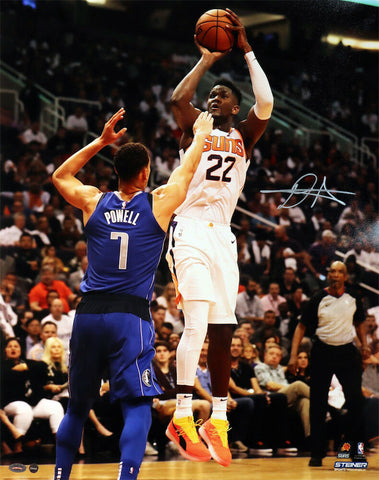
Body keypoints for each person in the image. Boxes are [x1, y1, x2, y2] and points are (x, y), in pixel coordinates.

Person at [51, 107, 214, 480]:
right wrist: (202, 132)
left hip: (89, 313)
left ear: (116, 171)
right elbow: (187, 171)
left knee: (77, 407)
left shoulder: (93, 201)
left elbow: (60, 175)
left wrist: (102, 140)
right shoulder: (157, 203)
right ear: (144, 173)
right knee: (138, 405)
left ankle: (59, 476)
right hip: (130, 317)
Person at [165, 8, 273, 467]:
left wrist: (246, 49)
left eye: (222, 96)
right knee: (194, 324)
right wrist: (207, 61)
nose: (213, 98)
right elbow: (177, 97)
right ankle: (184, 413)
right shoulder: (200, 127)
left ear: (235, 107)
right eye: (211, 95)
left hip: (223, 238)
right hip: (189, 227)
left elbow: (265, 103)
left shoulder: (246, 134)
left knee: (225, 330)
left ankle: (219, 418)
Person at [288, 261, 369, 467]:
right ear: (329, 275)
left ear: (345, 276)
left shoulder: (353, 297)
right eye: (332, 271)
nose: (335, 275)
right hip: (322, 351)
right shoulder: (318, 297)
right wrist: (293, 355)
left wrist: (365, 346)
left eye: (340, 271)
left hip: (347, 352)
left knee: (357, 401)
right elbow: (301, 327)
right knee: (317, 403)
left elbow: (359, 323)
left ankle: (351, 447)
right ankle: (317, 453)